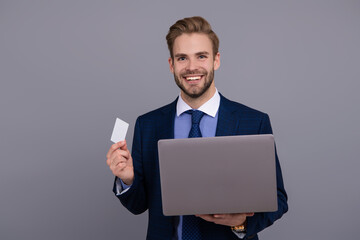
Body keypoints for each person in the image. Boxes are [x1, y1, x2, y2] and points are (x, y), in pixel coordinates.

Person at [106, 16, 288, 240]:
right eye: (182, 58)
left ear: (216, 60)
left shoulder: (253, 121)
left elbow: (277, 200)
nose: (192, 67)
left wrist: (241, 222)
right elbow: (138, 205)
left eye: (201, 56)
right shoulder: (148, 125)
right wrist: (127, 180)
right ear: (172, 64)